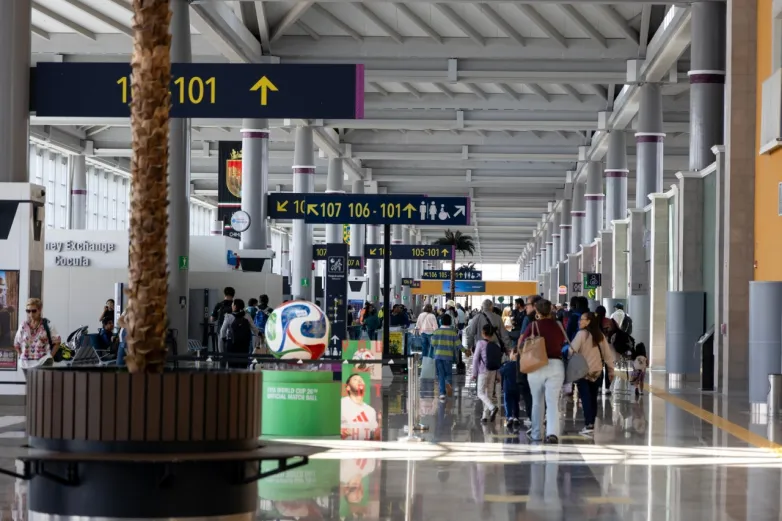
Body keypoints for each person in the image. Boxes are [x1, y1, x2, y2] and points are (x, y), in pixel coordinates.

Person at [518, 299, 568, 444]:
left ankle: (536, 434)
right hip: (556, 365)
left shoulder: (533, 326)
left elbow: (521, 345)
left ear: (537, 311)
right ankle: (552, 434)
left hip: (536, 366)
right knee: (552, 402)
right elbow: (562, 342)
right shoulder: (558, 325)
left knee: (537, 401)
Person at [569, 312, 615, 435]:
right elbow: (608, 355)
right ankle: (591, 423)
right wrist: (611, 370)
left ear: (588, 321)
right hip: (597, 372)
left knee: (585, 397)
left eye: (582, 319)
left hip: (583, 372)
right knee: (593, 398)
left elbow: (571, 351)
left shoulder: (581, 335)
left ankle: (589, 424)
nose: (580, 321)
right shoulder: (600, 335)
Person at [14, 298, 60, 371]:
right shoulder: (23, 325)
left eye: (34, 311)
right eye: (28, 311)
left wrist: (50, 356)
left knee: (42, 382)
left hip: (43, 362)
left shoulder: (48, 325)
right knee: (30, 382)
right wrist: (22, 356)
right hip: (25, 365)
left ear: (39, 310)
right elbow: (16, 344)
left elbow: (57, 342)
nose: (31, 314)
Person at [472, 323, 503, 423]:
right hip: (493, 371)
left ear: (483, 333)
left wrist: (474, 373)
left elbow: (476, 358)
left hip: (483, 371)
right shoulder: (496, 345)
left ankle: (492, 407)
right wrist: (498, 374)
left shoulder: (480, 343)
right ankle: (485, 416)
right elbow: (498, 360)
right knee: (488, 393)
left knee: (480, 393)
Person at [220, 298, 258, 368]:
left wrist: (224, 340)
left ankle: (233, 378)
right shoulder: (247, 316)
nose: (231, 306)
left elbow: (223, 331)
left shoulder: (228, 316)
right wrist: (259, 337)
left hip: (232, 344)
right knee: (243, 364)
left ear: (235, 306)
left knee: (232, 365)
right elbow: (254, 329)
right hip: (244, 344)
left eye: (232, 304)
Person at [341, 374, 380, 440]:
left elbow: (376, 436)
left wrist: (380, 423)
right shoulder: (341, 404)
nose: (359, 381)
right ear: (348, 387)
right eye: (355, 379)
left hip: (366, 449)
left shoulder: (371, 410)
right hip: (345, 449)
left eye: (361, 379)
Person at [432, 314, 461, 400]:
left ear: (441, 322)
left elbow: (433, 344)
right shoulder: (452, 332)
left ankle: (442, 393)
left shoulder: (436, 331)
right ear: (450, 322)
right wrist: (466, 351)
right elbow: (458, 344)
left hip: (438, 356)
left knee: (440, 374)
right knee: (448, 374)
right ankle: (448, 383)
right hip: (448, 356)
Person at [499, 348, 521, 428]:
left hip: (507, 389)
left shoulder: (507, 365)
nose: (509, 354)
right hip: (517, 388)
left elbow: (500, 371)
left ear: (514, 354)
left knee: (508, 403)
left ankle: (509, 417)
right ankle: (516, 417)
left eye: (510, 352)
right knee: (516, 403)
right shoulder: (520, 365)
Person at [211, 287, 235, 352]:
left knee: (222, 353)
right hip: (233, 332)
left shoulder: (219, 305)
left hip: (221, 331)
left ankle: (222, 362)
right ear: (233, 295)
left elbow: (212, 319)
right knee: (232, 354)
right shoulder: (235, 305)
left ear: (224, 294)